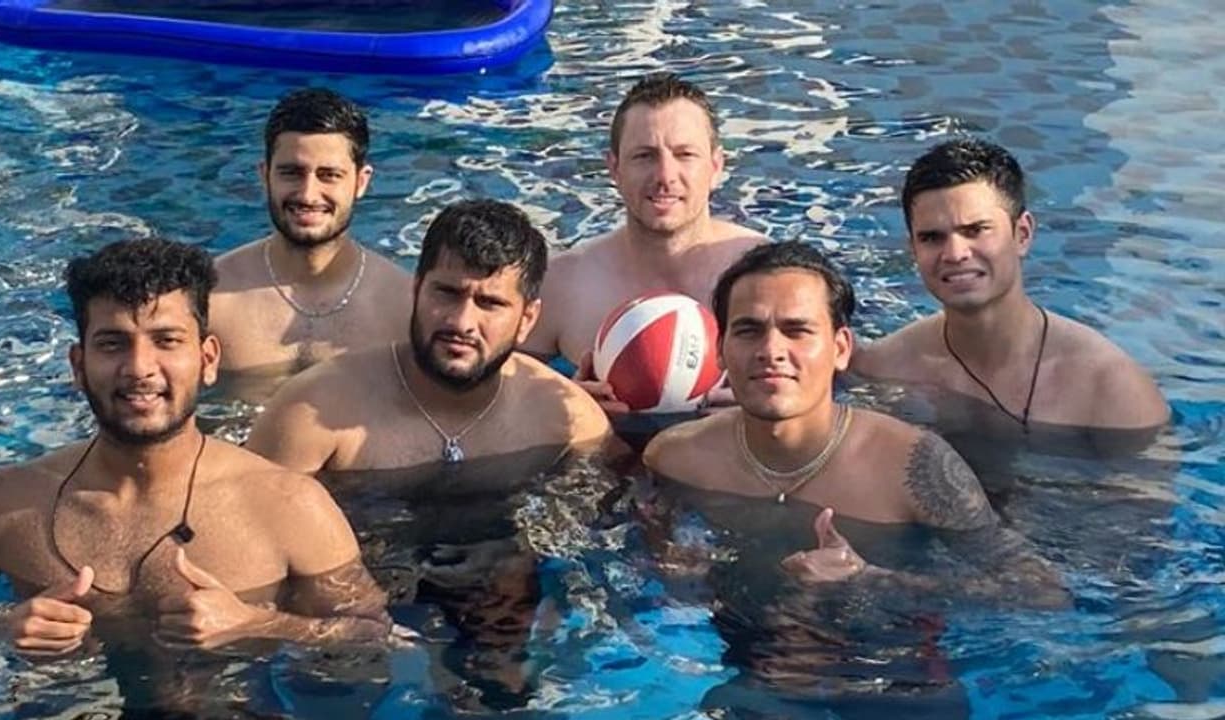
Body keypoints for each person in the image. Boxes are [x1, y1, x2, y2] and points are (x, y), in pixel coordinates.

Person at [0, 239, 392, 666]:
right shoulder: (5, 501)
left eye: (166, 340)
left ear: (208, 359)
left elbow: (373, 634)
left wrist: (257, 624)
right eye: (112, 343)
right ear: (78, 366)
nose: (139, 368)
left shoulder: (288, 504)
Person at [247, 198, 618, 710]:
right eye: (447, 292)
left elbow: (601, 542)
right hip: (360, 602)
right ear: (416, 289)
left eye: (490, 303)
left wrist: (525, 551)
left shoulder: (566, 420)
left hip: (492, 588)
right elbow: (252, 549)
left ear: (528, 318)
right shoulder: (312, 413)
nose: (463, 320)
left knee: (513, 685)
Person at [643, 241, 1064, 593]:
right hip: (743, 643)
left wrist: (871, 580)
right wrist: (672, 563)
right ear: (720, 351)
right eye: (748, 330)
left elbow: (1040, 591)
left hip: (886, 657)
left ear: (841, 348)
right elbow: (650, 549)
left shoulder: (914, 466)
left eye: (797, 330)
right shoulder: (675, 457)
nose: (770, 351)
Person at [851, 138, 1167, 448]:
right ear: (913, 249)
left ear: (1022, 234)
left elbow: (1145, 484)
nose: (955, 254)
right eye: (932, 238)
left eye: (976, 230)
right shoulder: (884, 368)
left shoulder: (1111, 390)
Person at [521, 72, 764, 413]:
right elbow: (496, 399)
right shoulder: (560, 286)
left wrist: (764, 408)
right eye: (644, 156)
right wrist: (564, 408)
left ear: (716, 167)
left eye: (684, 154)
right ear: (614, 169)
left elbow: (828, 389)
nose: (665, 176)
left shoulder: (769, 277)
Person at [210, 87, 412, 396]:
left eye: (329, 175)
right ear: (265, 176)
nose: (308, 194)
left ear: (361, 182)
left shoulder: (403, 307)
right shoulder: (211, 297)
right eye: (291, 173)